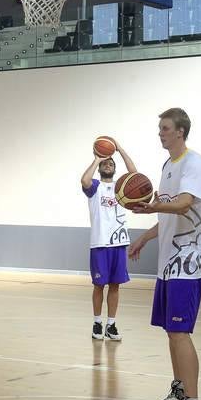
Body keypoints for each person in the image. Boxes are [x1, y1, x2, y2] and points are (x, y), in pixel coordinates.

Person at [129, 108, 201, 400]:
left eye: (164, 128)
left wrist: (152, 206)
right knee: (170, 332)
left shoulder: (194, 162)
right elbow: (166, 215)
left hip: (187, 263)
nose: (160, 133)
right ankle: (178, 393)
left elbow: (183, 203)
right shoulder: (167, 165)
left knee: (180, 332)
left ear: (180, 131)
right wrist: (145, 238)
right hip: (167, 263)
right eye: (159, 128)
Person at [81, 140, 137, 341]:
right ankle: (97, 322)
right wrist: (97, 158)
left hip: (119, 243)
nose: (108, 164)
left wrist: (119, 149)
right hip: (100, 244)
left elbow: (134, 174)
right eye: (106, 163)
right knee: (99, 286)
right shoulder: (95, 187)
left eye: (111, 163)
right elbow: (84, 180)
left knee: (115, 286)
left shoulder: (122, 188)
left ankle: (111, 325)